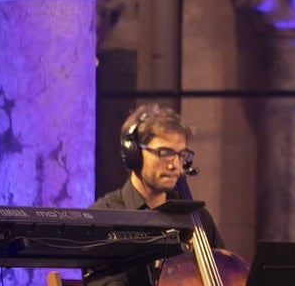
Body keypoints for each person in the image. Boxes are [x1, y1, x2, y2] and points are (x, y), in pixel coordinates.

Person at [87, 104, 224, 286]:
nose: (175, 165)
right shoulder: (104, 218)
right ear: (134, 154)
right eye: (165, 153)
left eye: (181, 155)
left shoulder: (198, 218)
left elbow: (225, 272)